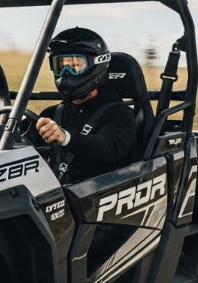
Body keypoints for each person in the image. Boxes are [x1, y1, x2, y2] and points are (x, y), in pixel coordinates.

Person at [35, 27, 138, 181]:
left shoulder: (120, 113)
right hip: (48, 191)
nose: (66, 72)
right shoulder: (51, 114)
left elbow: (109, 148)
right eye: (61, 65)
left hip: (94, 195)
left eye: (75, 66)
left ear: (97, 65)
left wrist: (66, 138)